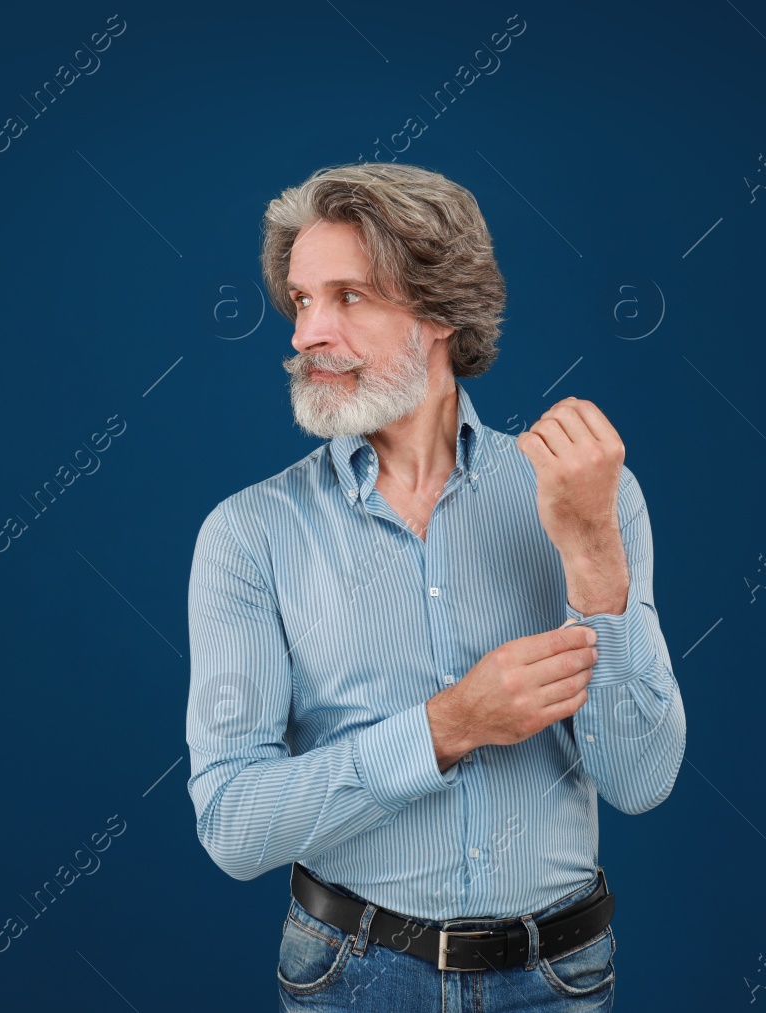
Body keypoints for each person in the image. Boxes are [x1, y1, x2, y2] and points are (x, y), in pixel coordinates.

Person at [185, 161, 685, 1010]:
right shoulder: (248, 533)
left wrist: (594, 555)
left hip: (558, 978)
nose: (308, 331)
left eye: (349, 296)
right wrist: (445, 727)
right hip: (352, 976)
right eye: (302, 300)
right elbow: (232, 823)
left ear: (442, 312)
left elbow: (641, 779)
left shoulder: (587, 491)